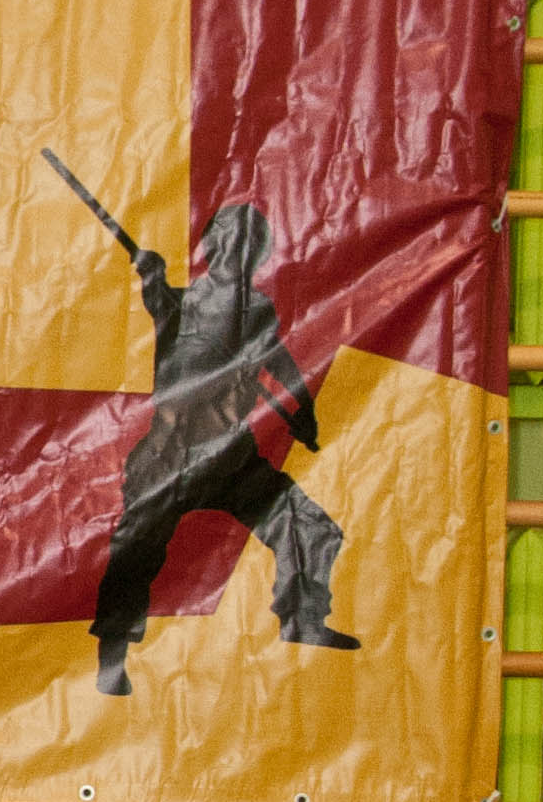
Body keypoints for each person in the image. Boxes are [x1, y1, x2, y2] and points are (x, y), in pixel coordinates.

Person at [75, 187, 358, 696]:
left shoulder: (259, 311)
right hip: (170, 456)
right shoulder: (178, 302)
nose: (236, 254)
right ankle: (112, 658)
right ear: (212, 248)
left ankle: (304, 618)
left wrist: (305, 412)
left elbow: (281, 365)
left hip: (232, 457)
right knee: (135, 552)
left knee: (310, 528)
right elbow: (160, 305)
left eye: (247, 246)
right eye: (228, 243)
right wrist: (152, 276)